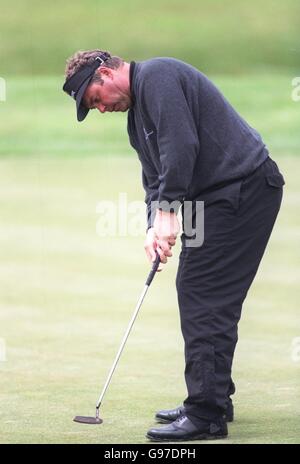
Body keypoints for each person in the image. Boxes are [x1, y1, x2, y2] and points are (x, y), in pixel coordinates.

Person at [62, 50, 285, 442]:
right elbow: (155, 179)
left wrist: (169, 212)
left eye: (95, 99)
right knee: (205, 293)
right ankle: (214, 398)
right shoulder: (137, 121)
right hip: (217, 198)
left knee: (201, 292)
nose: (99, 109)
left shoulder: (158, 76)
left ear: (106, 71)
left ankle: (207, 414)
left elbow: (182, 145)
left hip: (244, 189)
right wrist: (154, 226)